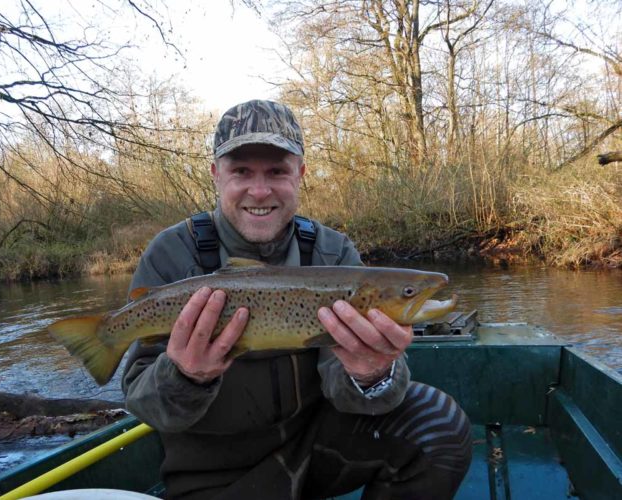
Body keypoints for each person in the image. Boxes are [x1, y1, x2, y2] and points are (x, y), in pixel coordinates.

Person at [122, 99, 472, 499]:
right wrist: (185, 377)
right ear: (216, 174)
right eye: (241, 171)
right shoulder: (171, 253)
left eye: (277, 171)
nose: (259, 190)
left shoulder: (333, 252)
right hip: (213, 473)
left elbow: (352, 396)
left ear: (301, 174)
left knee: (438, 423)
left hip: (313, 451)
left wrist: (371, 375)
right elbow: (143, 403)